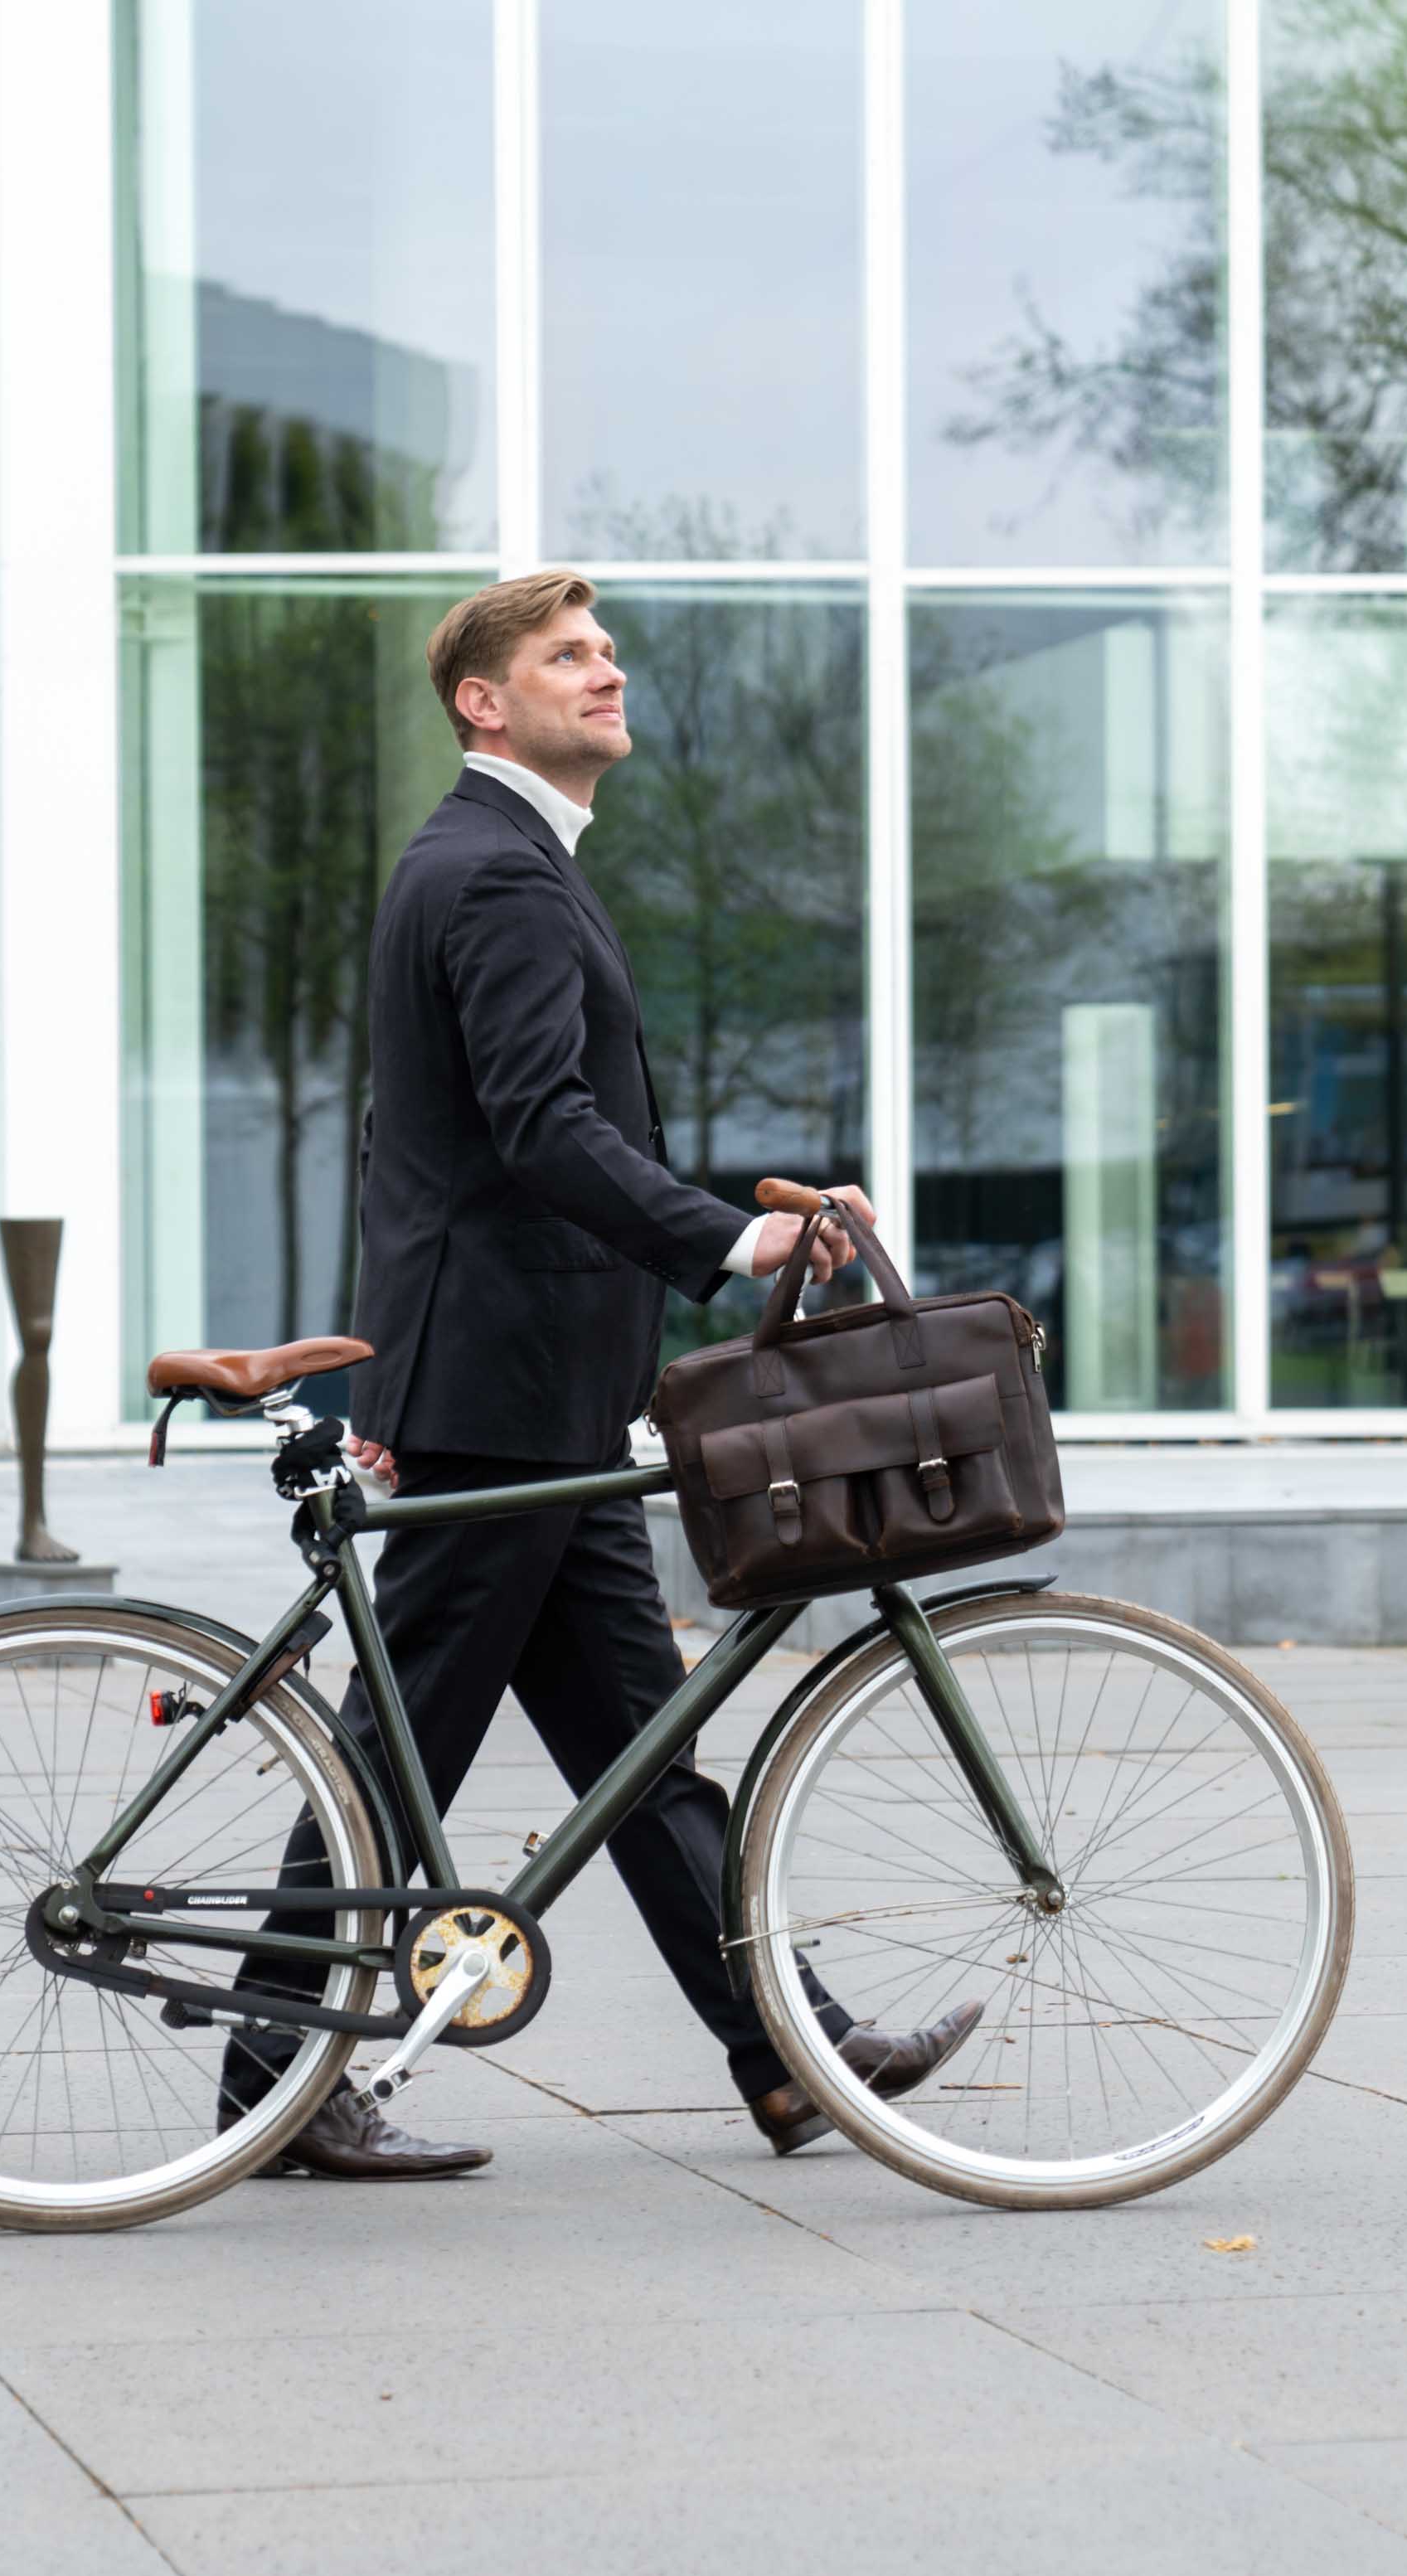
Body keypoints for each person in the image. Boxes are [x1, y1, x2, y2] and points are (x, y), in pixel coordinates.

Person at [221, 571, 981, 2179]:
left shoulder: (507, 863)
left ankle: (788, 2055)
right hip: (497, 1387)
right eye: (568, 655)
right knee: (397, 1738)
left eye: (608, 650)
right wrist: (724, 1243)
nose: (606, 670)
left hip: (527, 1377)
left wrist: (715, 1214)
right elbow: (540, 1126)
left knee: (640, 1747)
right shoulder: (493, 873)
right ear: (483, 703)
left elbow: (503, 1134)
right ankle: (275, 2067)